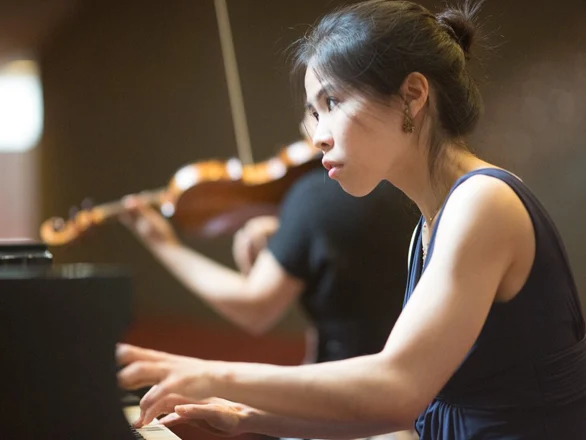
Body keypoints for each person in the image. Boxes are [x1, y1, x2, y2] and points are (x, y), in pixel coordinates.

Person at [116, 0, 586, 438]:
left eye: (332, 103)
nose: (318, 136)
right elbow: (396, 402)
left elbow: (397, 388)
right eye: (313, 113)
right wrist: (247, 417)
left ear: (413, 95)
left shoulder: (484, 201)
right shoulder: (428, 226)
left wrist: (212, 374)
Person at [121, 134, 417, 439]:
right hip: (410, 404)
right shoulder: (410, 189)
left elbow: (255, 308)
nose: (316, 132)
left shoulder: (317, 194)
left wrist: (164, 246)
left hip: (345, 398)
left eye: (326, 103)